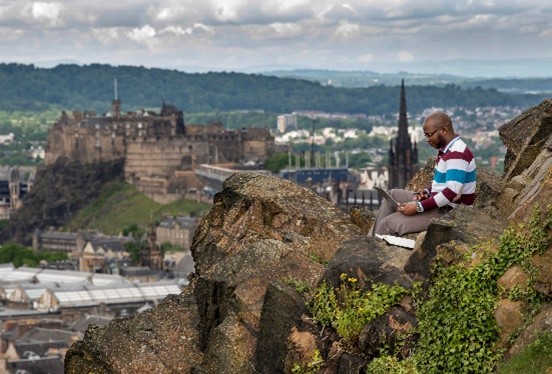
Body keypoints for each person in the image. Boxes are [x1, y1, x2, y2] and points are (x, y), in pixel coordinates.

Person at [371, 111, 476, 236]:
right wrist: (427, 192)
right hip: (441, 205)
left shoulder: (456, 153)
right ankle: (368, 244)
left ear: (443, 130)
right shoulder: (448, 150)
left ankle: (372, 250)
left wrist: (418, 206)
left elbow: (452, 193)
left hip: (449, 212)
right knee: (392, 195)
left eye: (429, 135)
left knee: (387, 225)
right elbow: (446, 184)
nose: (428, 140)